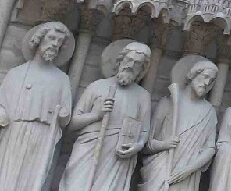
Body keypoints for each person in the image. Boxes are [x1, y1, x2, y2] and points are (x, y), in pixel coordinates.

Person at [60, 41, 153, 191]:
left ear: (142, 69)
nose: (131, 65)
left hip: (118, 157)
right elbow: (72, 124)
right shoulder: (97, 86)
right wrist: (96, 115)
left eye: (137, 64)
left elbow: (144, 131)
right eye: (129, 60)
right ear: (120, 60)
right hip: (89, 150)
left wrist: (137, 145)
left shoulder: (142, 96)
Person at [0, 22, 73, 191]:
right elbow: (2, 102)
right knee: (7, 176)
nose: (55, 44)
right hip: (15, 133)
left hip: (43, 136)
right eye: (52, 38)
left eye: (60, 41)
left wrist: (62, 114)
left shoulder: (62, 79)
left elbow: (66, 114)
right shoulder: (17, 73)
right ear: (39, 39)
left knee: (32, 180)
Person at [141, 59, 219, 191]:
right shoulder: (169, 102)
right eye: (205, 77)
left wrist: (188, 169)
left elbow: (210, 148)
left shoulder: (209, 112)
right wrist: (164, 144)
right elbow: (146, 144)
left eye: (211, 81)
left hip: (187, 174)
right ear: (193, 74)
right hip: (162, 169)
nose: (207, 83)